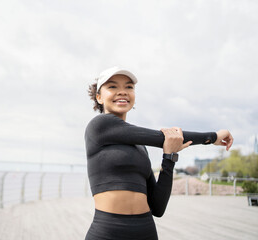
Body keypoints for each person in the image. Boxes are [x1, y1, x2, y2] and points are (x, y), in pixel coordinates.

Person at [84, 66, 233, 240]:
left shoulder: (141, 148)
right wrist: (212, 137)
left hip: (146, 230)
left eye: (129, 87)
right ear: (99, 97)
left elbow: (158, 207)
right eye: (113, 87)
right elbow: (161, 137)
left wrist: (169, 158)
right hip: (108, 230)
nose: (122, 92)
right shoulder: (99, 126)